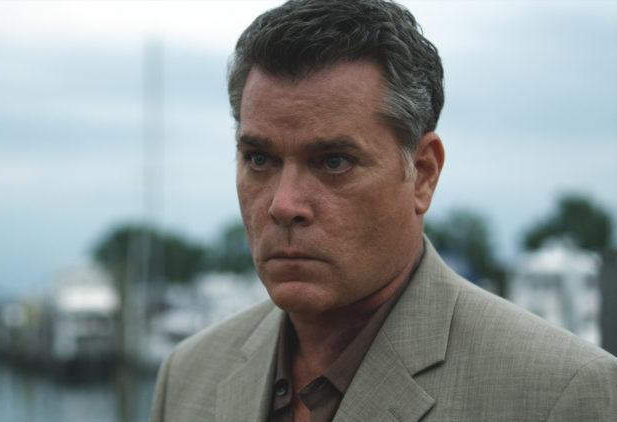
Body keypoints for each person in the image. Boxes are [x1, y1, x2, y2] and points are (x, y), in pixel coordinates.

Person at [149, 0, 617, 420]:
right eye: (259, 159)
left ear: (423, 173)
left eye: (334, 162)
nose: (284, 204)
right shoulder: (189, 376)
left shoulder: (559, 393)